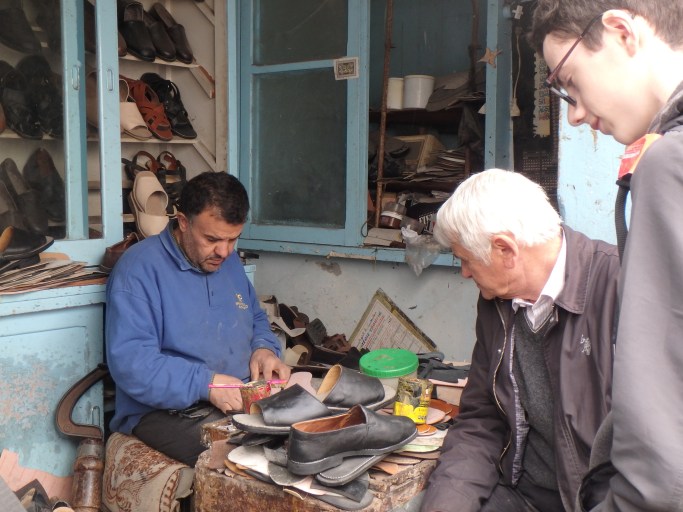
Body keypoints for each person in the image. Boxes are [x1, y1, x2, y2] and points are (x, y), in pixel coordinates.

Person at [530, 3, 683, 510]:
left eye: (569, 82)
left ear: (621, 31)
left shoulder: (668, 163)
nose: (574, 114)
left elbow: (660, 435)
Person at [420, 169, 621, 512]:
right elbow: (481, 421)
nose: (464, 273)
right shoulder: (497, 302)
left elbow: (655, 455)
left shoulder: (623, 287)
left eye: (465, 260)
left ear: (505, 249)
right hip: (523, 495)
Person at [106, 171, 290, 466]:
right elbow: (132, 364)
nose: (224, 251)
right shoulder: (138, 270)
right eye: (212, 239)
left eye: (233, 239)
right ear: (183, 222)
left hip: (237, 394)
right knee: (253, 455)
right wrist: (206, 384)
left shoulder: (228, 260)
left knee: (310, 433)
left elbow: (254, 316)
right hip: (164, 412)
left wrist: (264, 348)